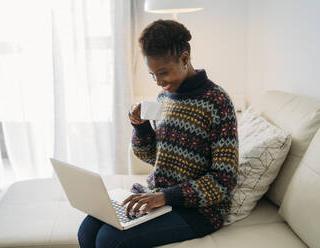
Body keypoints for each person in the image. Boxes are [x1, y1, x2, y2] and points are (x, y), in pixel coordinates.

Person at [78, 19, 239, 248]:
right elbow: (153, 157)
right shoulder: (165, 98)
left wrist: (165, 197)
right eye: (152, 75)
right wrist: (140, 126)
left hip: (200, 211)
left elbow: (224, 180)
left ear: (184, 59)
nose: (159, 82)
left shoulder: (217, 102)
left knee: (108, 240)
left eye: (163, 73)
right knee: (87, 230)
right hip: (158, 197)